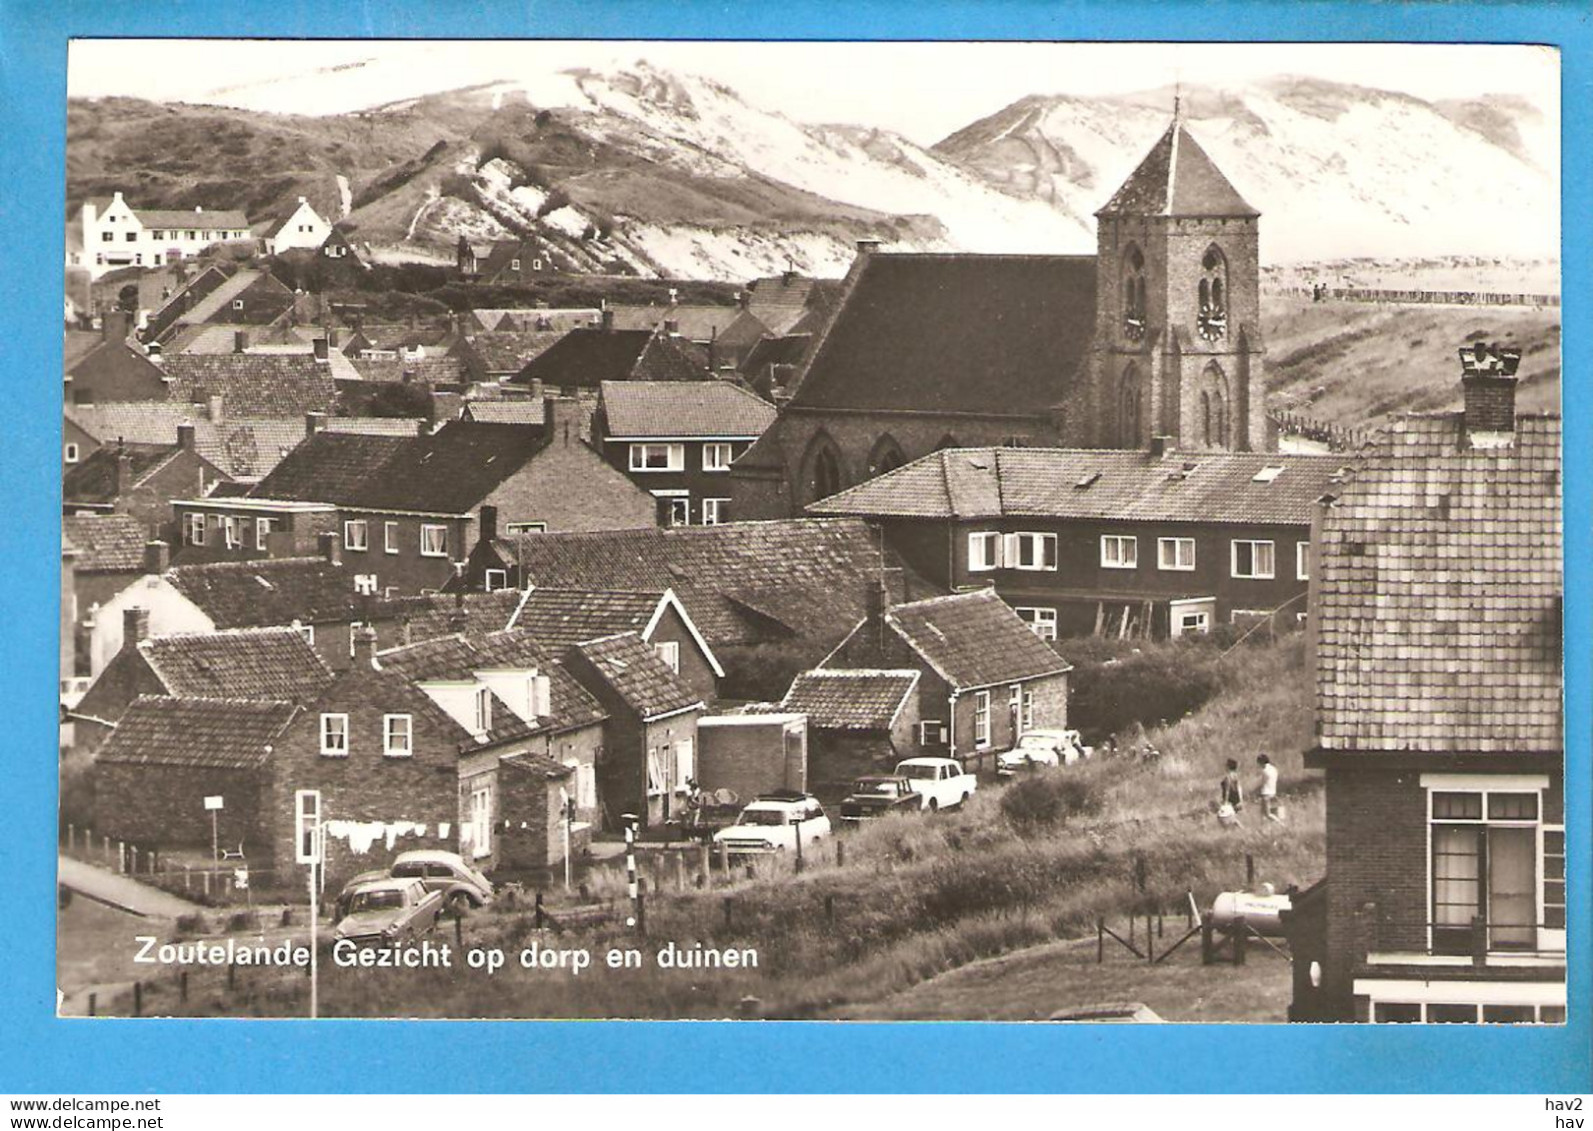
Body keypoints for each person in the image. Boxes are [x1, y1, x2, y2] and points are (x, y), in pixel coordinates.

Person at [1218, 758, 1244, 827]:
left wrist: (1225, 801)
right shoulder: (1236, 776)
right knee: (1233, 818)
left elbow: (1227, 790)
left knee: (1222, 817)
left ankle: (1240, 829)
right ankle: (1241, 829)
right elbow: (1239, 788)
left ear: (1228, 766)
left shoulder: (1227, 777)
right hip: (1236, 798)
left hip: (1229, 800)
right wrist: (1241, 799)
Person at [1257, 754, 1281, 822]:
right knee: (1262, 813)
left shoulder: (1264, 771)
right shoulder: (1274, 769)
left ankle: (1282, 825)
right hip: (1273, 792)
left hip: (1266, 793)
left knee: (1267, 814)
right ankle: (1262, 829)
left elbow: (1262, 782)